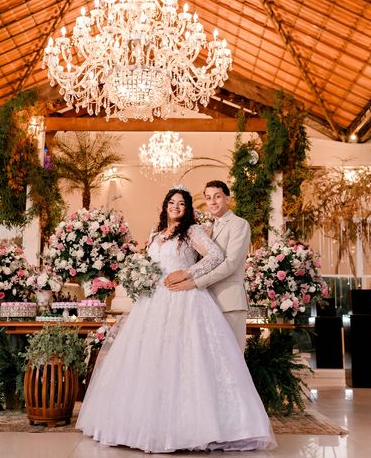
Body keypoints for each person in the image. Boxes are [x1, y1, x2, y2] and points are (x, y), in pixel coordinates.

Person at [77, 187, 275, 453]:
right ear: (165, 205)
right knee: (150, 359)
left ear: (188, 208)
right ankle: (145, 424)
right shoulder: (155, 234)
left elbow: (216, 257)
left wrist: (187, 274)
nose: (176, 207)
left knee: (186, 359)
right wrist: (141, 276)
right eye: (172, 202)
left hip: (185, 298)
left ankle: (196, 427)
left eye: (182, 203)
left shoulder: (192, 231)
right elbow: (151, 264)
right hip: (154, 301)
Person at [165, 180, 250, 352]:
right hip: (204, 302)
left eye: (217, 197)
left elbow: (230, 264)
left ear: (227, 198)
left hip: (229, 302)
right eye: (208, 197)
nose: (212, 201)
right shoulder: (206, 228)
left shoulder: (239, 224)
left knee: (231, 359)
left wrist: (194, 282)